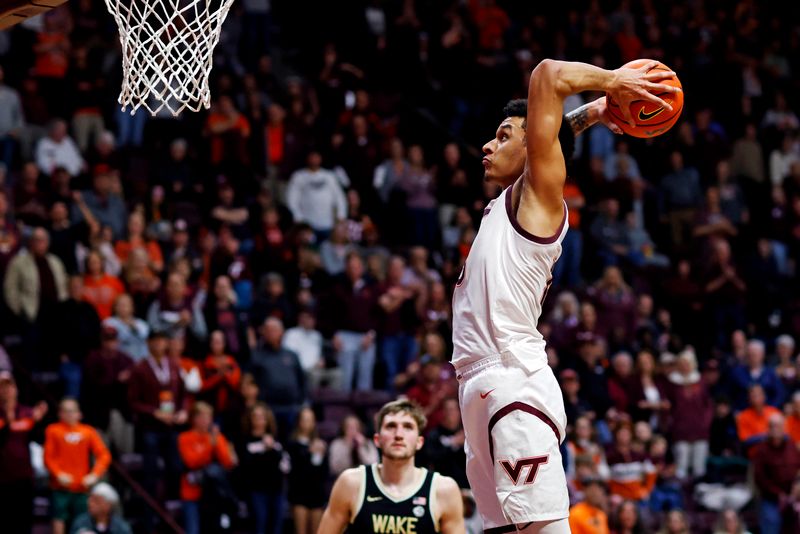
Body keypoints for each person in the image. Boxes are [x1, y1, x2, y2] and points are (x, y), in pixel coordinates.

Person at [452, 59, 678, 533]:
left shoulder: (537, 197)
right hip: (476, 382)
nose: (488, 145)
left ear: (533, 147)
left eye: (505, 134)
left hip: (511, 378)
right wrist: (593, 112)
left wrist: (615, 81)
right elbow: (551, 131)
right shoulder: (505, 201)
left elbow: (546, 74)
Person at [318, 399, 464, 533]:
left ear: (419, 442)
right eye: (391, 426)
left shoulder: (443, 490)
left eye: (408, 427)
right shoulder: (351, 483)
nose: (399, 434)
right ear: (377, 440)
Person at [44, 398, 112, 534]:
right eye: (66, 411)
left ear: (79, 414)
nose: (69, 414)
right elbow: (48, 457)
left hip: (82, 486)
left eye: (72, 411)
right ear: (60, 414)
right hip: (60, 486)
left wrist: (94, 475)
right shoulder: (53, 430)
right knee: (58, 517)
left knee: (81, 521)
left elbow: (104, 455)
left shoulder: (88, 431)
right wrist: (58, 474)